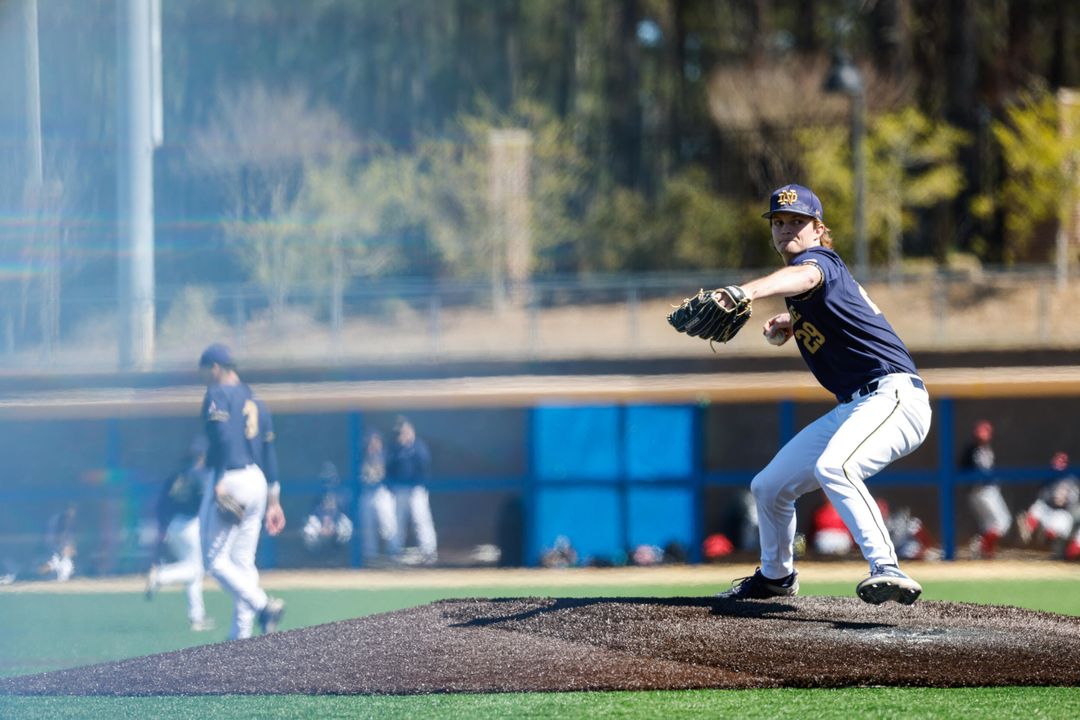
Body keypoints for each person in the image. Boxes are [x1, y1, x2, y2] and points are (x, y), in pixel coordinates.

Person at [691, 184, 931, 605]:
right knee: (768, 486)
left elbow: (807, 275)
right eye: (779, 222)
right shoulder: (809, 288)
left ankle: (886, 566)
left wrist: (745, 292)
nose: (786, 229)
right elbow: (819, 298)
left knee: (835, 466)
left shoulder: (819, 262)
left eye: (798, 222)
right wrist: (792, 320)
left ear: (819, 229)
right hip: (858, 404)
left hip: (894, 397)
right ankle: (776, 577)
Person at [198, 342, 286, 640]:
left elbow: (222, 437)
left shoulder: (217, 393)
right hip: (257, 480)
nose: (205, 377)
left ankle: (263, 605)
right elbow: (270, 450)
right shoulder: (256, 400)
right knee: (243, 562)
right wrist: (274, 500)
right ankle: (241, 638)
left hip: (230, 476)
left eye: (206, 371)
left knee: (214, 561)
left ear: (215, 368)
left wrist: (219, 479)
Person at [145, 436, 214, 631]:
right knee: (195, 571)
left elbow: (161, 505)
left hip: (173, 525)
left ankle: (197, 618)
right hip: (190, 525)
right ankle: (160, 575)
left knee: (194, 571)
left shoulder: (176, 476)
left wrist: (162, 528)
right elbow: (206, 505)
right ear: (202, 456)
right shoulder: (202, 476)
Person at [385, 415, 437, 564]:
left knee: (421, 520)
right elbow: (389, 468)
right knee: (397, 522)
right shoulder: (395, 448)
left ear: (411, 430)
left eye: (405, 430)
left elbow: (424, 465)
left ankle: (429, 552)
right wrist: (391, 486)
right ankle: (394, 552)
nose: (403, 433)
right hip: (400, 489)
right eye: (401, 431)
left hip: (416, 490)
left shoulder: (419, 446)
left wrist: (409, 446)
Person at [961, 419, 1012, 559]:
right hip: (982, 491)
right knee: (1003, 522)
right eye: (980, 434)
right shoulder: (972, 450)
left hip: (983, 491)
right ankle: (980, 544)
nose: (983, 437)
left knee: (989, 525)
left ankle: (986, 552)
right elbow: (963, 469)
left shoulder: (987, 449)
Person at [1016, 451, 1080, 560]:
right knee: (1038, 507)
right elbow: (1042, 498)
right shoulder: (1049, 477)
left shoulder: (1071, 480)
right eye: (1057, 463)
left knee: (1055, 533)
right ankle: (1030, 527)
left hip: (1063, 514)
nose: (1058, 466)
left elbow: (1072, 503)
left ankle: (1052, 542)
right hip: (1050, 510)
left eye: (1061, 463)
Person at [357, 431, 397, 565]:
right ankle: (371, 557)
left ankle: (393, 554)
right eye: (370, 441)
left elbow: (393, 474)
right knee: (368, 527)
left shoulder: (387, 455)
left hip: (383, 492)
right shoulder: (361, 457)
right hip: (367, 494)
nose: (373, 444)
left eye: (376, 441)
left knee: (388, 526)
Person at [301, 461, 354, 556]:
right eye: (326, 477)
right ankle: (316, 556)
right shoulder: (317, 492)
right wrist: (324, 522)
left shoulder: (343, 492)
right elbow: (313, 512)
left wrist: (333, 522)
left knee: (346, 529)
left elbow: (345, 513)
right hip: (321, 522)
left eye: (331, 477)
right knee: (308, 531)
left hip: (336, 522)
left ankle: (340, 554)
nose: (329, 480)